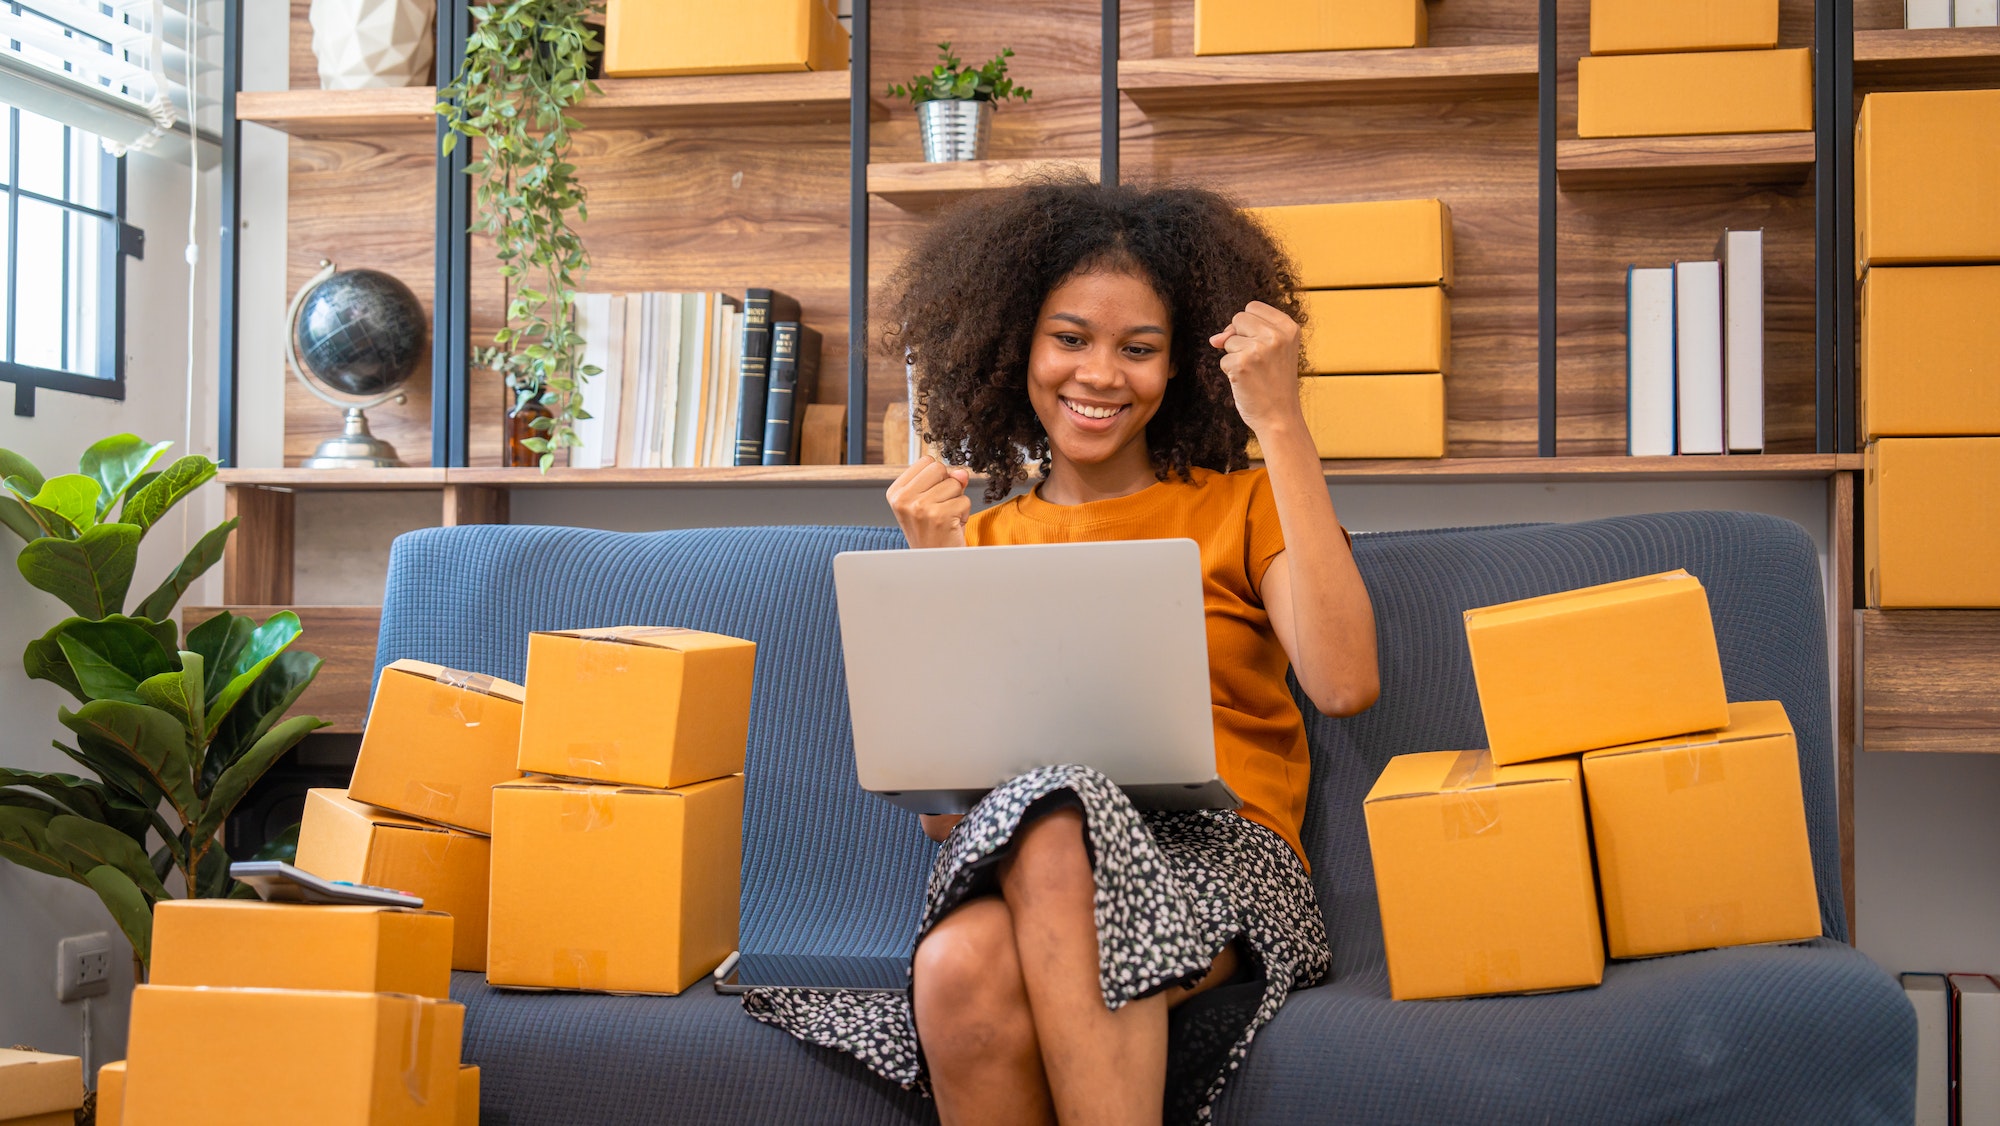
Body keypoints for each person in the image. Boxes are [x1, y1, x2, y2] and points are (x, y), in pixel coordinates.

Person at [744, 178, 1380, 1126]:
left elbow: (1345, 681)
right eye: (1070, 339)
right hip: (1034, 866)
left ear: (1180, 367)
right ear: (1017, 349)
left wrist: (1279, 423)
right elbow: (948, 826)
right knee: (960, 959)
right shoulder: (983, 537)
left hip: (1224, 863)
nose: (1099, 375)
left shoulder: (1240, 505)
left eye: (1139, 349)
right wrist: (940, 577)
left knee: (1053, 817)